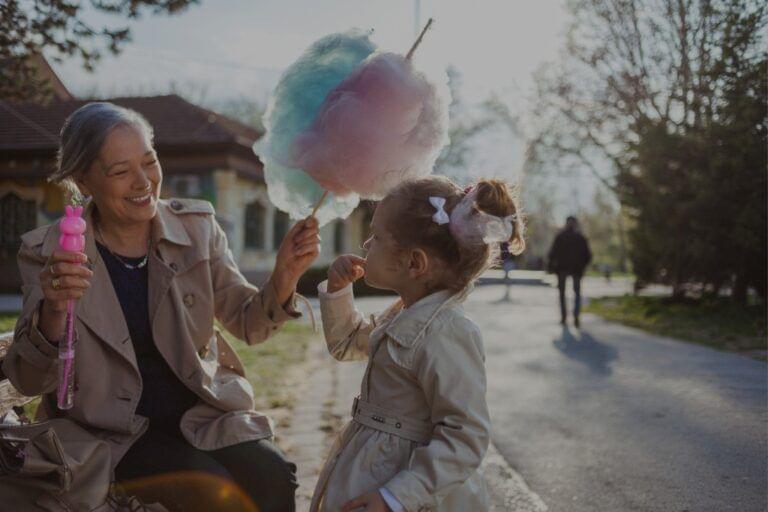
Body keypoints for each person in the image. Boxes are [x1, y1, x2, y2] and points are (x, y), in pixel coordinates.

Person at [3, 102, 320, 511]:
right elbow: (30, 382)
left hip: (201, 412)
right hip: (110, 432)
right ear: (84, 181)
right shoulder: (47, 254)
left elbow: (249, 324)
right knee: (213, 492)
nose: (143, 181)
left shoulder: (196, 227)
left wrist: (285, 276)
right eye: (120, 171)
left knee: (274, 476)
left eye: (149, 161)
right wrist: (54, 308)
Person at [310, 177, 525, 512]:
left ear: (414, 263)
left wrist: (397, 496)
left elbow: (465, 436)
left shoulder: (446, 332)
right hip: (371, 466)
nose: (366, 243)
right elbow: (347, 343)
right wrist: (338, 291)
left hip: (405, 485)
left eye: (377, 236)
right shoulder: (402, 315)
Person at [547, 216, 592, 328]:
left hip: (566, 269)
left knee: (566, 293)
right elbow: (588, 256)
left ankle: (566, 317)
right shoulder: (579, 237)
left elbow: (552, 254)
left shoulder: (563, 236)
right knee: (574, 293)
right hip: (572, 269)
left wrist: (552, 266)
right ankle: (573, 317)